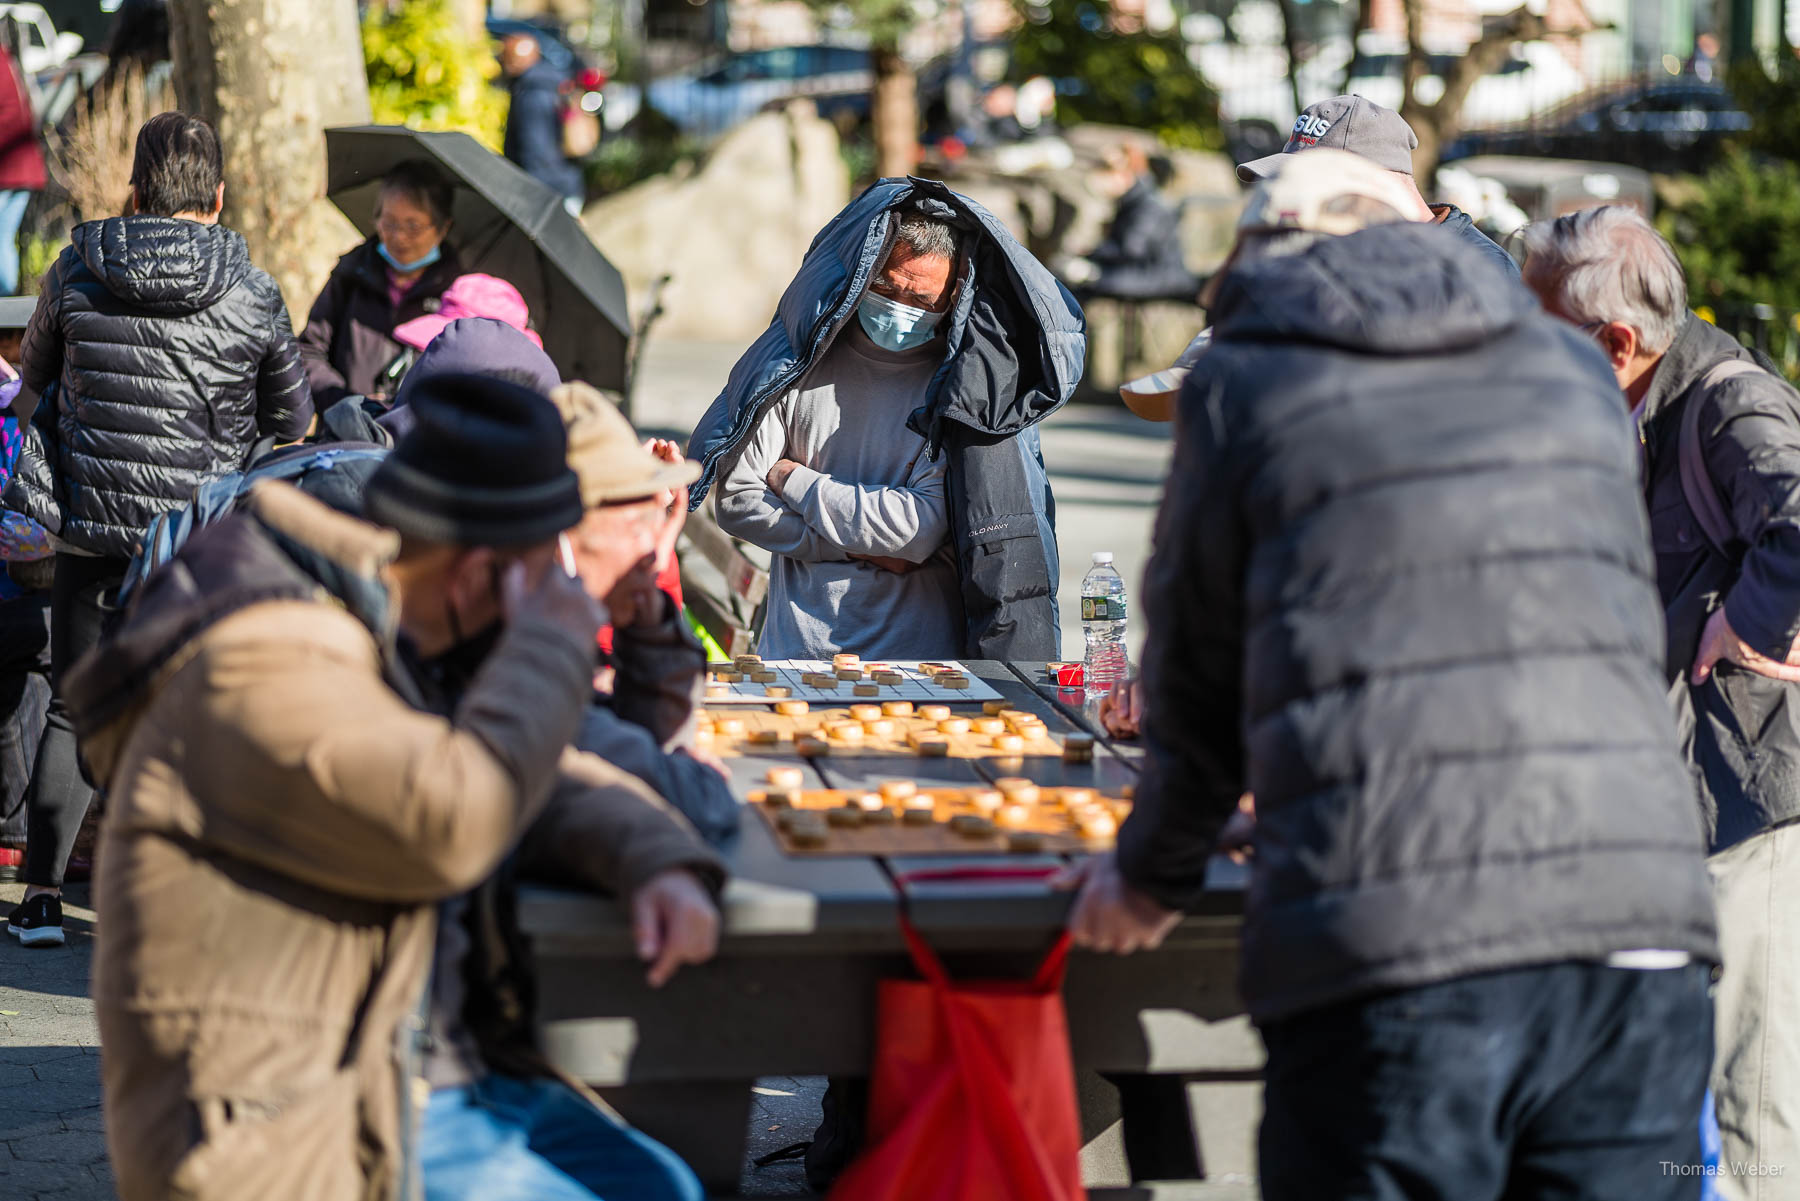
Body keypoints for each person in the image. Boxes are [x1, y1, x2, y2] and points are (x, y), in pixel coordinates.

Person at [1060, 150, 1719, 1199]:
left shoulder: (1249, 376)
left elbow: (1196, 661)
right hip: (1642, 929)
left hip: (1406, 945)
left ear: (1259, 257)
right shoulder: (1563, 374)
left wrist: (1152, 873)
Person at [67, 373, 721, 1201]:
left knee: (661, 1184)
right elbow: (452, 814)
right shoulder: (259, 658)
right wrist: (549, 644)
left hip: (415, 1072)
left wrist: (653, 854)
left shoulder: (401, 624)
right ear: (484, 577)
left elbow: (548, 768)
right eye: (543, 576)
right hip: (282, 1125)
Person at [1524, 204, 1800, 1198]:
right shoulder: (1632, 401)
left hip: (1744, 801)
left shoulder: (1727, 402)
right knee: (1673, 1087)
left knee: (1747, 1099)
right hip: (1664, 801)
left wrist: (1753, 625)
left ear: (1616, 341)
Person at [3, 110, 310, 946]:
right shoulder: (252, 289)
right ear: (215, 196)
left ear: (134, 190)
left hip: (88, 527)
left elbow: (31, 383)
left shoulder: (75, 268)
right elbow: (295, 418)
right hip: (202, 538)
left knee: (71, 706)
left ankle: (37, 898)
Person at [693, 180, 1084, 662]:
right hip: (795, 655)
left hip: (919, 668)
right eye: (885, 288)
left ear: (955, 292)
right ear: (863, 273)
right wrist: (863, 548)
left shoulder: (963, 391)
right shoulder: (799, 364)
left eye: (921, 300)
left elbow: (917, 530)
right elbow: (737, 502)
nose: (899, 308)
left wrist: (793, 479)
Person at [554, 382, 738, 844]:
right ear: (570, 532)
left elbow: (658, 731)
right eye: (638, 525)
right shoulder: (520, 639)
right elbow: (700, 802)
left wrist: (647, 602)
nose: (654, 549)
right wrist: (678, 771)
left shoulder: (550, 607)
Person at [1236, 94, 1519, 279]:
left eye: (1305, 184)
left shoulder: (1481, 271)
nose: (1292, 201)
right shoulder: (1346, 253)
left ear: (1368, 184)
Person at [300, 159, 463, 412]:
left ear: (443, 228)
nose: (399, 237)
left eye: (413, 226)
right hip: (342, 435)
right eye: (389, 223)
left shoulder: (459, 296)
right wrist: (346, 403)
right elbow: (309, 351)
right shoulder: (351, 275)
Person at [1064, 144, 1199, 302]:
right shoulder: (1130, 203)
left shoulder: (1149, 206)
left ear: (1124, 175)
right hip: (1141, 273)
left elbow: (1131, 250)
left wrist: (1092, 260)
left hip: (1158, 277)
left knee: (1082, 286)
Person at [500, 33, 583, 214]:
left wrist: (525, 190)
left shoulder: (531, 93)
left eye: (504, 57)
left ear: (514, 61)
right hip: (566, 180)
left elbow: (535, 148)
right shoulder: (554, 83)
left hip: (547, 189)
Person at [0, 46, 44, 296]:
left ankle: (4, 311)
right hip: (22, 167)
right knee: (3, 240)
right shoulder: (5, 56)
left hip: (8, 170)